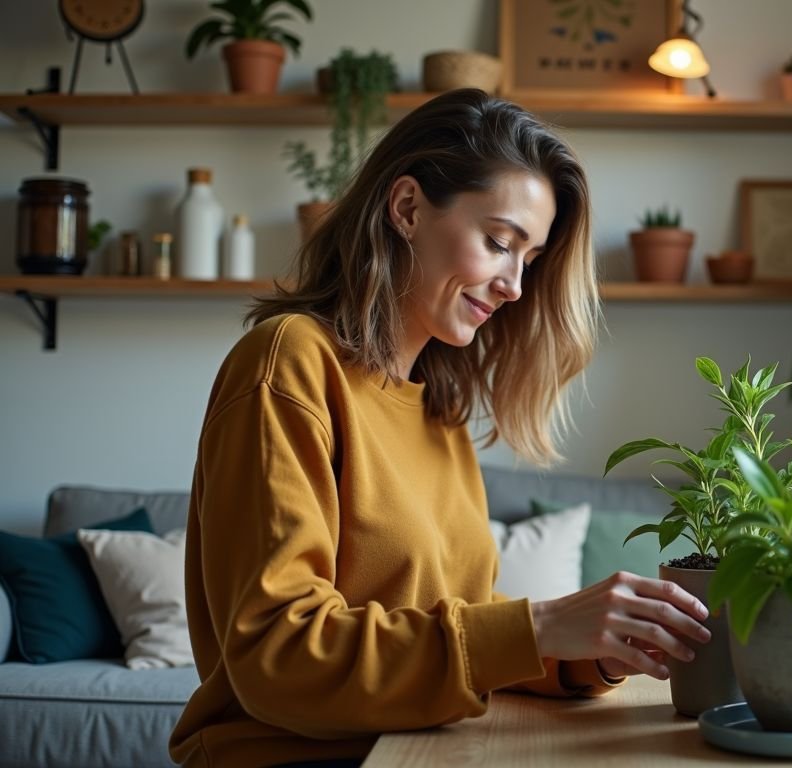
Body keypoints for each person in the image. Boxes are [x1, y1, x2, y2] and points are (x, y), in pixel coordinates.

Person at [168, 89, 711, 768]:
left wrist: (579, 652)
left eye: (530, 259)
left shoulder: (437, 408)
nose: (515, 284)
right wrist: (537, 626)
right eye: (498, 242)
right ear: (406, 209)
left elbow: (451, 639)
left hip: (418, 746)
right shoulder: (290, 364)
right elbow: (280, 657)